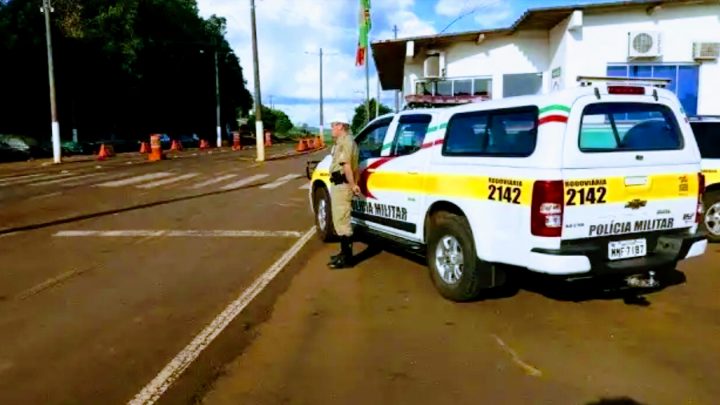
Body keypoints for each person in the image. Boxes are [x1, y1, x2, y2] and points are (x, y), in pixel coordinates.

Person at [328, 114, 361, 269]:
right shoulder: (342, 141)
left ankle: (347, 258)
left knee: (343, 221)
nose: (331, 129)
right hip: (339, 184)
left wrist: (353, 184)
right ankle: (343, 253)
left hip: (343, 185)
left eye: (333, 125)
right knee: (339, 220)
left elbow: (347, 165)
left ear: (340, 125)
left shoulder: (346, 142)